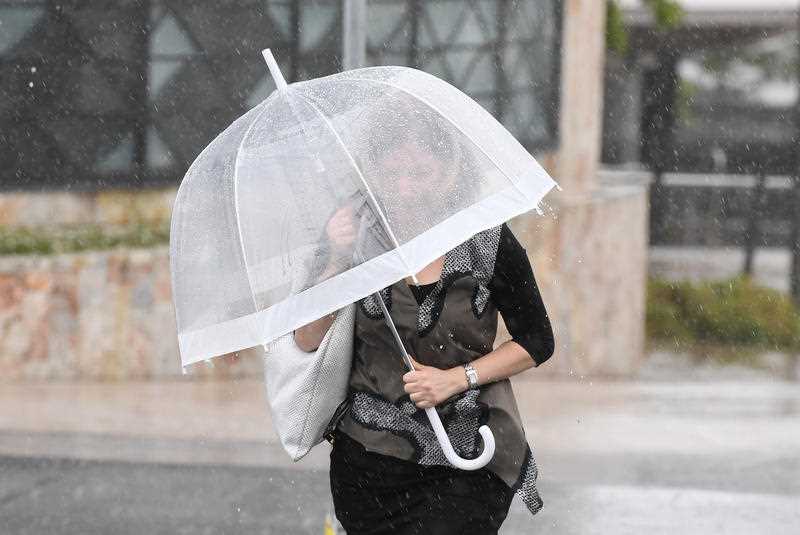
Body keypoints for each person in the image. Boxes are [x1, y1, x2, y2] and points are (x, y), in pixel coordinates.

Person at [294, 113, 555, 534]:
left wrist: (457, 378)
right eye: (392, 171)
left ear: (450, 171)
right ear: (373, 171)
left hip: (468, 457)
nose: (404, 186)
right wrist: (337, 259)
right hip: (369, 463)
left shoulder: (486, 240)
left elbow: (537, 341)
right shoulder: (352, 235)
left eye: (420, 172)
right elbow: (306, 339)